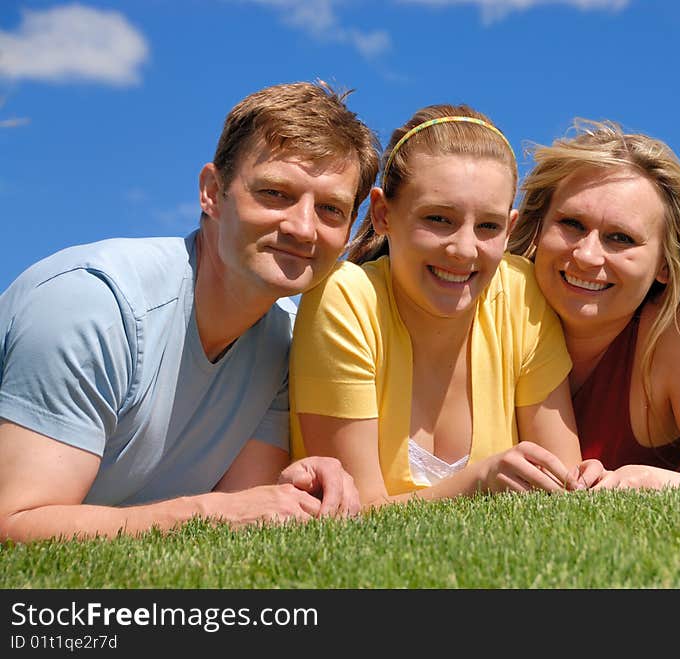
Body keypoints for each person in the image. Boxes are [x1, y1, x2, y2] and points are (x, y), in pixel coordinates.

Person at [0, 81, 380, 542]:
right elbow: (14, 523)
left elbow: (245, 510)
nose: (303, 228)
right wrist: (208, 511)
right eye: (275, 194)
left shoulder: (284, 341)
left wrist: (298, 484)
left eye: (330, 210)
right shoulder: (96, 305)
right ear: (211, 192)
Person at [289, 105, 583, 508]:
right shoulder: (345, 299)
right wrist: (477, 481)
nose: (463, 250)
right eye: (439, 219)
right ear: (382, 214)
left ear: (510, 228)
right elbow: (350, 511)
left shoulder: (521, 292)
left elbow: (565, 485)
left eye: (488, 227)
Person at [508, 119, 680, 489]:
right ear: (538, 228)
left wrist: (645, 481)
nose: (588, 254)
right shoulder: (488, 303)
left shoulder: (676, 342)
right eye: (572, 224)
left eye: (620, 238)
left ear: (664, 264)